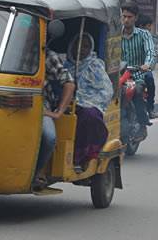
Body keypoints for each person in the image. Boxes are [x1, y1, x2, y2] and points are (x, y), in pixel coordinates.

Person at [64, 33, 113, 171]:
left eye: (85, 46)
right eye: (78, 45)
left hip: (91, 103)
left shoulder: (95, 65)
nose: (81, 49)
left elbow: (106, 90)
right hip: (67, 102)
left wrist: (85, 100)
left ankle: (83, 156)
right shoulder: (65, 65)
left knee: (89, 116)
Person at [33, 43, 76, 190]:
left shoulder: (48, 56)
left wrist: (59, 112)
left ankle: (38, 171)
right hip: (11, 103)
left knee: (49, 137)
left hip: (40, 106)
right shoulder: (8, 48)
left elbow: (69, 83)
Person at [121, 2, 155, 133]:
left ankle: (142, 123)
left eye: (129, 17)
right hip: (119, 75)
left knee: (137, 91)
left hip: (136, 76)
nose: (126, 20)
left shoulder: (144, 34)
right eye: (124, 16)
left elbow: (150, 51)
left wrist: (147, 64)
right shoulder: (116, 34)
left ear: (135, 18)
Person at [136, 14, 158, 119]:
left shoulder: (150, 38)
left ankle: (150, 108)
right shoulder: (126, 34)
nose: (150, 28)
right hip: (127, 69)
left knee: (150, 80)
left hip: (143, 69)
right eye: (148, 25)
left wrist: (147, 64)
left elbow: (151, 52)